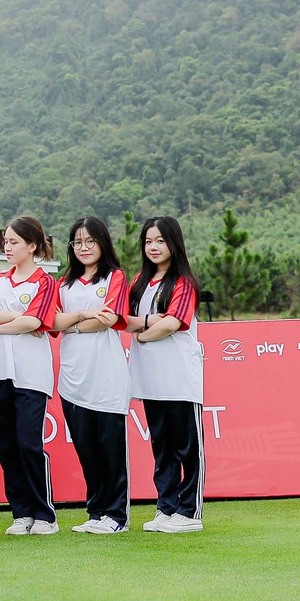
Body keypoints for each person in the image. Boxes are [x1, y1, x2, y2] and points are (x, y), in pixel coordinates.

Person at [0, 214, 60, 536]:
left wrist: (15, 322)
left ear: (32, 245)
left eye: (13, 242)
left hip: (31, 374)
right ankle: (21, 513)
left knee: (28, 444)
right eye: (5, 242)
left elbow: (35, 323)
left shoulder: (46, 282)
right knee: (6, 446)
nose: (7, 248)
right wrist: (21, 318)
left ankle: (44, 515)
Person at [125, 216, 205, 533]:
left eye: (160, 240)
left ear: (174, 243)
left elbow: (173, 323)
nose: (154, 247)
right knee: (163, 448)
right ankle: (166, 508)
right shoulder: (139, 283)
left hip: (179, 379)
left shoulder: (183, 283)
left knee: (188, 447)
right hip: (150, 379)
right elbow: (124, 320)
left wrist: (143, 333)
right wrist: (146, 323)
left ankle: (190, 512)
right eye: (148, 241)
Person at [55, 216, 133, 534]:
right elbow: (51, 322)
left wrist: (72, 324)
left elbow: (109, 317)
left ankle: (116, 516)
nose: (84, 248)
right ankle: (96, 512)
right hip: (73, 377)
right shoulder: (65, 283)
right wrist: (84, 317)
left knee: (109, 447)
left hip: (106, 375)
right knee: (86, 448)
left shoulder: (114, 276)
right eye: (78, 242)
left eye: (90, 241)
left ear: (102, 243)